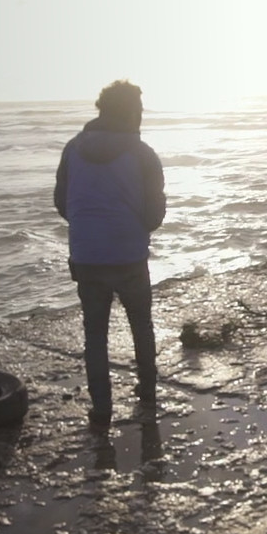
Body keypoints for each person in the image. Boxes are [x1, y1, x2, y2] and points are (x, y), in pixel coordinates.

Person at [54, 80, 166, 430]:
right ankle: (147, 392)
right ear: (132, 111)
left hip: (87, 257)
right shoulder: (143, 153)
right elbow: (155, 215)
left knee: (95, 335)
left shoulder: (73, 149)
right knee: (141, 326)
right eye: (140, 110)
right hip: (129, 255)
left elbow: (62, 202)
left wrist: (90, 228)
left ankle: (101, 410)